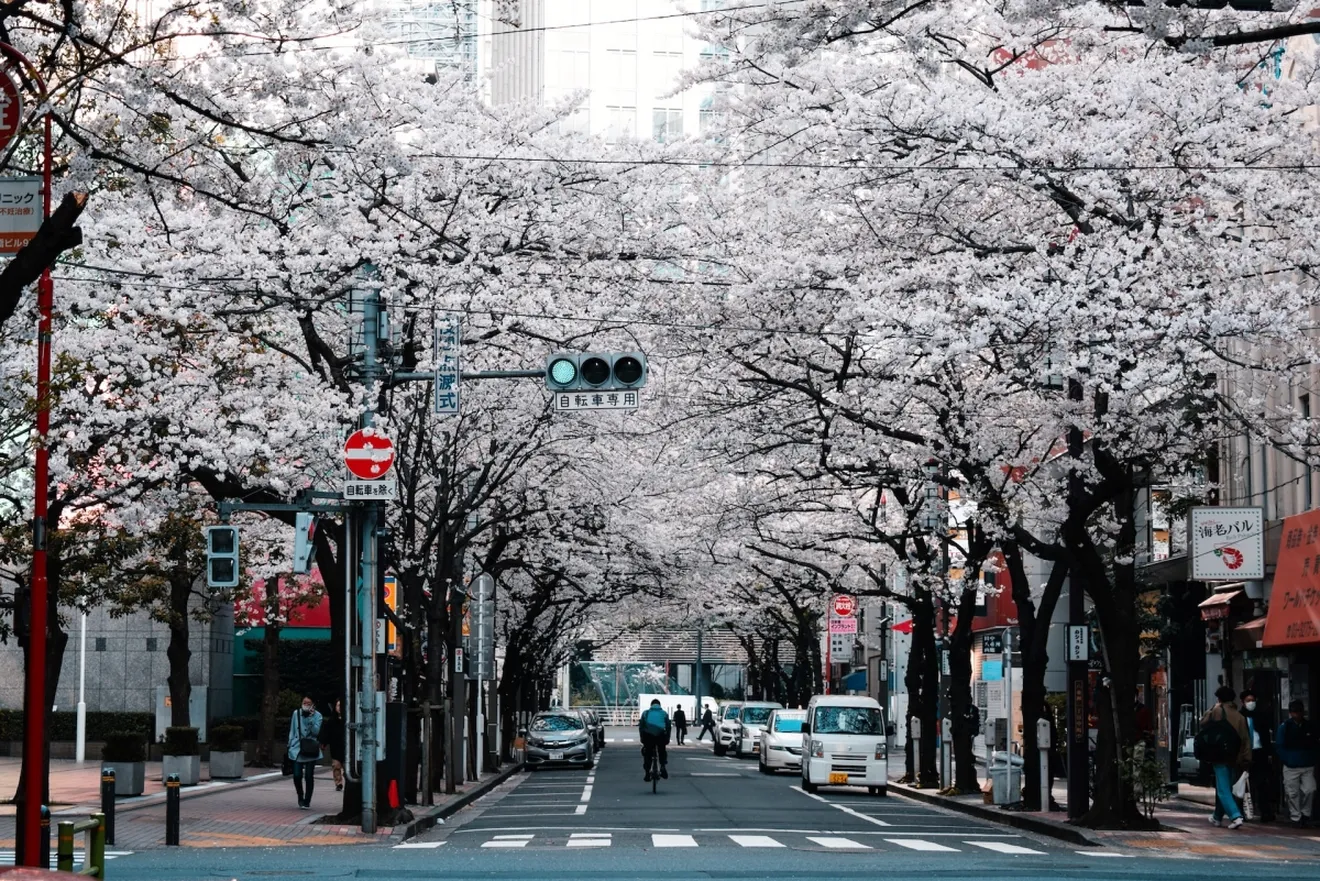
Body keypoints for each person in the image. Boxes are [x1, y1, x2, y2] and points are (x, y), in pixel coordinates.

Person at [1200, 684, 1250, 829]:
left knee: (1223, 789)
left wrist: (1213, 707)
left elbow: (1203, 723)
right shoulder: (1240, 717)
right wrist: (1246, 758)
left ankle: (1235, 816)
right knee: (1226, 786)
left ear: (1219, 698)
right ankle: (1217, 816)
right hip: (1235, 756)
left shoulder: (1217, 710)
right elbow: (1246, 739)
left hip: (1219, 754)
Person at [1276, 699, 1317, 828]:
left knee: (1310, 789)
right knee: (1292, 792)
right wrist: (1286, 759)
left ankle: (1305, 814)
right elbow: (1280, 745)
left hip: (1306, 764)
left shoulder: (1309, 726)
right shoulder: (1285, 727)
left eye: (1298, 712)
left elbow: (1315, 744)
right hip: (1291, 764)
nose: (1296, 715)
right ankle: (1296, 816)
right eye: (1294, 712)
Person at [1239, 688, 1276, 822]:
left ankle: (1265, 811)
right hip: (1245, 754)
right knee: (1243, 783)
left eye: (1253, 700)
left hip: (1259, 752)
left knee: (1262, 784)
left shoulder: (1261, 716)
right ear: (1243, 702)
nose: (1251, 703)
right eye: (1248, 701)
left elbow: (1266, 735)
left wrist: (1269, 753)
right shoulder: (1240, 717)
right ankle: (1243, 811)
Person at [287, 695, 323, 809]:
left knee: (308, 776)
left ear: (312, 705)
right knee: (297, 775)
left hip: (311, 749)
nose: (306, 705)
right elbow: (292, 730)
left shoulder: (318, 716)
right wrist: (290, 744)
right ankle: (300, 795)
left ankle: (307, 800)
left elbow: (316, 732)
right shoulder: (296, 713)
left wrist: (311, 718)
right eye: (304, 702)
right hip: (297, 748)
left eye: (308, 703)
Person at [638, 698, 671, 782]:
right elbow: (668, 727)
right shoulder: (664, 713)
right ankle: (663, 766)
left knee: (647, 753)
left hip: (648, 736)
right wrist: (667, 738)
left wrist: (642, 738)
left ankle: (647, 773)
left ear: (651, 705)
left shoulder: (646, 713)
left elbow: (641, 726)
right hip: (660, 735)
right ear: (659, 705)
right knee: (662, 750)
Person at [319, 697, 346, 792]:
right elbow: (326, 733)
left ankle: (347, 780)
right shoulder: (331, 720)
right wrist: (324, 743)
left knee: (347, 767)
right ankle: (338, 783)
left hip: (347, 747)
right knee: (336, 766)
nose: (339, 708)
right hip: (335, 746)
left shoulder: (348, 720)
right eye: (338, 705)